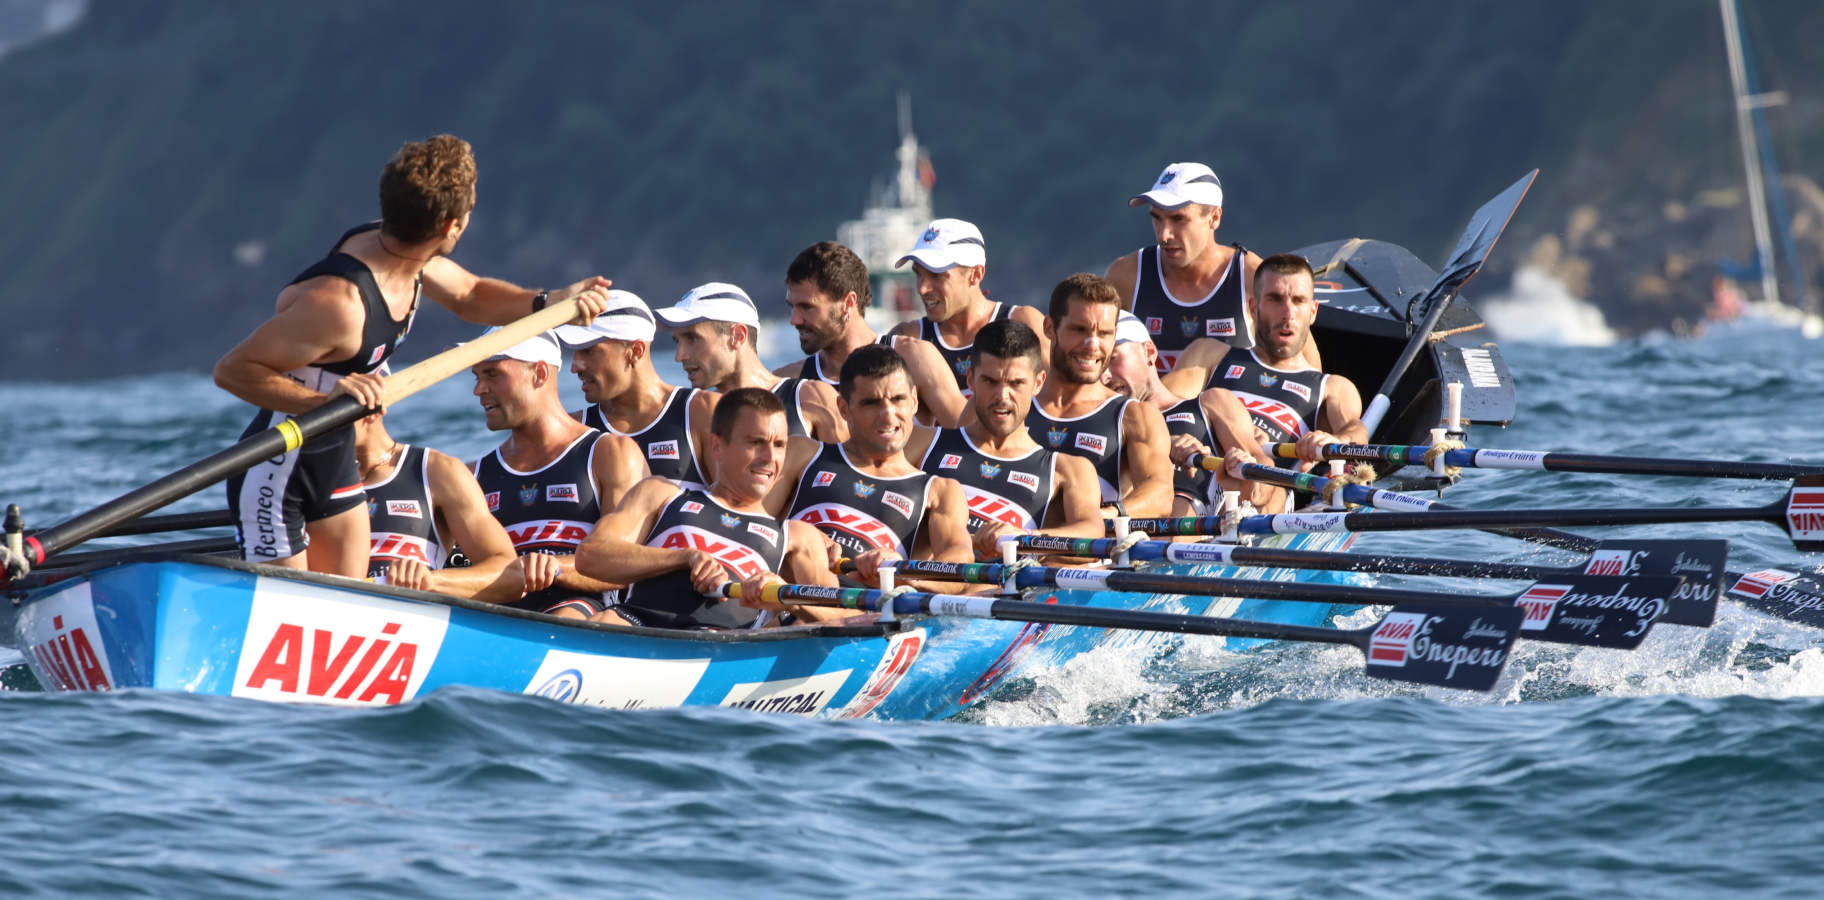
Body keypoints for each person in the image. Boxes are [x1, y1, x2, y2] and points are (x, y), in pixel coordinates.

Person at [214, 134, 611, 578]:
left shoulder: (409, 251)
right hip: (277, 471)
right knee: (292, 605)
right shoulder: (341, 306)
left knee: (349, 601)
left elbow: (470, 295)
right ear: (452, 226)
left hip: (335, 458)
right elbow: (233, 371)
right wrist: (324, 403)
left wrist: (552, 300)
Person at [576, 388, 844, 628]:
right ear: (717, 446)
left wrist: (789, 598)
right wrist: (684, 558)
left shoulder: (797, 536)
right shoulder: (661, 494)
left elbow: (844, 618)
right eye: (755, 442)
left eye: (779, 445)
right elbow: (590, 556)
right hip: (638, 627)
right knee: (607, 620)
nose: (770, 458)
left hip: (722, 647)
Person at [1162, 254, 1369, 508]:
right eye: (1275, 299)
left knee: (1266, 486)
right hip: (1200, 475)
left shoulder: (1332, 387)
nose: (1288, 314)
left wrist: (1336, 442)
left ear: (1313, 311)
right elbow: (1161, 408)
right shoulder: (1210, 355)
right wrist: (1174, 439)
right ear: (1253, 307)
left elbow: (1356, 431)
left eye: (1298, 301)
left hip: (1268, 498)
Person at [468, 329, 646, 618]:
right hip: (501, 612)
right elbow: (459, 566)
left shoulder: (610, 454)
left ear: (539, 374)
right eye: (476, 377)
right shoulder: (471, 474)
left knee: (564, 616)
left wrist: (555, 568)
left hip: (586, 608)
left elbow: (624, 566)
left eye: (492, 374)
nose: (479, 389)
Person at [766, 344, 973, 583]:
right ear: (844, 409)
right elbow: (748, 523)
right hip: (794, 599)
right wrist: (799, 537)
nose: (888, 414)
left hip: (876, 603)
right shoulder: (802, 454)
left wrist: (899, 571)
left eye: (898, 399)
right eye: (871, 403)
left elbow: (959, 561)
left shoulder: (940, 491)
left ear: (914, 401)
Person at [902, 319, 1103, 558]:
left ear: (1038, 383)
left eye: (1016, 383)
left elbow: (1092, 533)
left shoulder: (1067, 468)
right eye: (990, 381)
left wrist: (1023, 538)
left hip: (1011, 579)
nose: (1002, 396)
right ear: (970, 379)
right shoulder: (922, 443)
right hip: (931, 579)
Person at [775, 241, 969, 427]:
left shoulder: (914, 359)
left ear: (848, 303)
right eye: (792, 307)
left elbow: (971, 440)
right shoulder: (790, 383)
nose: (795, 320)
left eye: (807, 307)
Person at [1103, 312, 1282, 515]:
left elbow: (1262, 484)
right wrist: (1162, 445)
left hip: (1200, 529)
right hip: (1125, 526)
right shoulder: (1098, 424)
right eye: (1099, 364)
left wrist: (1243, 472)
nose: (1104, 376)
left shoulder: (1210, 403)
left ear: (1149, 352)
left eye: (1112, 359)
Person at [1026, 273, 1173, 518]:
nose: (1092, 345)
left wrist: (1104, 517)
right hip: (1009, 540)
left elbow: (1160, 495)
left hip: (1093, 542)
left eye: (1104, 333)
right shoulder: (1010, 402)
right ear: (1050, 328)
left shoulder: (1134, 416)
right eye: (1079, 330)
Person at [1103, 162, 1266, 373]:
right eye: (1157, 219)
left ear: (1214, 218)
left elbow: (1300, 371)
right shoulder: (1126, 276)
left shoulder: (1253, 277)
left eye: (1178, 219)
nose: (1164, 235)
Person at [353, 407, 522, 602]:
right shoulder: (322, 484)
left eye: (328, 409)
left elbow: (512, 575)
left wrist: (431, 581)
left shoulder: (436, 471)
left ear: (371, 410)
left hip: (411, 612)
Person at [563, 290, 720, 487]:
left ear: (636, 352)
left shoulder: (704, 412)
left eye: (588, 351)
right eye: (575, 352)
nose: (575, 366)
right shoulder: (572, 429)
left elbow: (737, 503)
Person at [658, 282, 846, 442]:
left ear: (737, 336)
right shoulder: (693, 417)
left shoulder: (809, 398)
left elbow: (854, 470)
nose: (680, 356)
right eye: (677, 342)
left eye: (692, 338)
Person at [885, 218, 1048, 395]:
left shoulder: (1025, 322)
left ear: (976, 274)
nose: (922, 289)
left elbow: (1064, 398)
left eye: (936, 275)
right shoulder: (907, 338)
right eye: (918, 274)